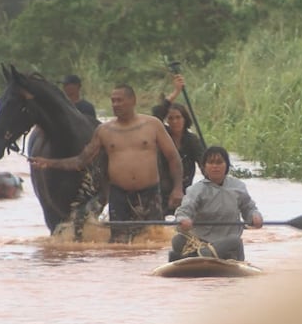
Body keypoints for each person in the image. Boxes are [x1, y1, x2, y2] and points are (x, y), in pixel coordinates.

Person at [30, 83, 184, 243]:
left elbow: (173, 157)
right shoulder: (104, 130)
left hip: (149, 193)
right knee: (118, 245)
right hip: (119, 195)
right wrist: (49, 163)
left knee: (154, 240)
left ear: (133, 101)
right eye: (113, 101)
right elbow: (81, 161)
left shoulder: (152, 125)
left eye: (119, 100)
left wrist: (177, 188)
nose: (115, 104)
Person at [168, 146, 263, 262]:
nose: (215, 166)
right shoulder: (196, 190)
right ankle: (198, 254)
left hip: (227, 246)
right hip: (199, 243)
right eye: (211, 162)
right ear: (204, 167)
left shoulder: (238, 187)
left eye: (219, 162)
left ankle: (200, 255)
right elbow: (184, 210)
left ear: (226, 166)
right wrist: (183, 219)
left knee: (235, 241)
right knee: (178, 239)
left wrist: (255, 216)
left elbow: (249, 208)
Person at [152, 73, 205, 215]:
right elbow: (155, 115)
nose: (175, 121)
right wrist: (175, 93)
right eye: (171, 118)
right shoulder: (162, 135)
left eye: (178, 117)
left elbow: (203, 163)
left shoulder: (192, 140)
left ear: (184, 119)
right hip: (160, 191)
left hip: (185, 191)